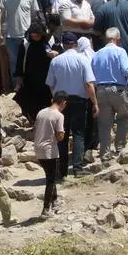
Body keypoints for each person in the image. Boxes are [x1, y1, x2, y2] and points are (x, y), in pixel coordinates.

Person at [47, 33, 98, 173]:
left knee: (61, 134)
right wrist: (95, 103)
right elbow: (89, 84)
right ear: (76, 44)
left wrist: (56, 100)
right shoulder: (83, 60)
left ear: (63, 45)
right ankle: (77, 168)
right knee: (78, 134)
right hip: (79, 101)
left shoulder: (56, 61)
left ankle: (62, 170)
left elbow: (50, 84)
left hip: (61, 102)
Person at [91, 28, 128, 159]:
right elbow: (125, 69)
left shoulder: (97, 54)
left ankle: (105, 153)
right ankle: (120, 147)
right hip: (118, 89)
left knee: (104, 123)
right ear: (118, 39)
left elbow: (92, 72)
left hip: (100, 90)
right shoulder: (120, 51)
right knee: (124, 117)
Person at [32, 90, 68, 215]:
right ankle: (46, 209)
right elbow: (60, 136)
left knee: (50, 175)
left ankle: (55, 200)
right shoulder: (59, 116)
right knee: (51, 180)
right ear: (64, 102)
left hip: (38, 149)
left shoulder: (41, 112)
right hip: (49, 151)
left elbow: (35, 129)